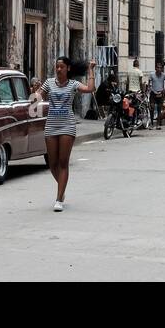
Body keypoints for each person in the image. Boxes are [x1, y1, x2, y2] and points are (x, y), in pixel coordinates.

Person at [29, 56, 96, 212]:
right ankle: (62, 188)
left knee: (63, 162)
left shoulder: (73, 84)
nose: (59, 69)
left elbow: (90, 89)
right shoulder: (49, 83)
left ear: (68, 69)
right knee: (52, 164)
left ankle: (59, 198)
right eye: (57, 67)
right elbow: (35, 103)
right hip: (51, 125)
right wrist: (34, 92)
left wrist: (90, 70)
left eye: (62, 67)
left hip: (67, 126)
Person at [148, 60, 165, 129]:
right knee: (152, 107)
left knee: (159, 109)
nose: (159, 69)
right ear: (155, 68)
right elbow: (149, 83)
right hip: (153, 93)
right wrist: (151, 89)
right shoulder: (152, 75)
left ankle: (158, 124)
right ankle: (151, 124)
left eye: (160, 68)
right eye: (158, 68)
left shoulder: (163, 75)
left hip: (161, 94)